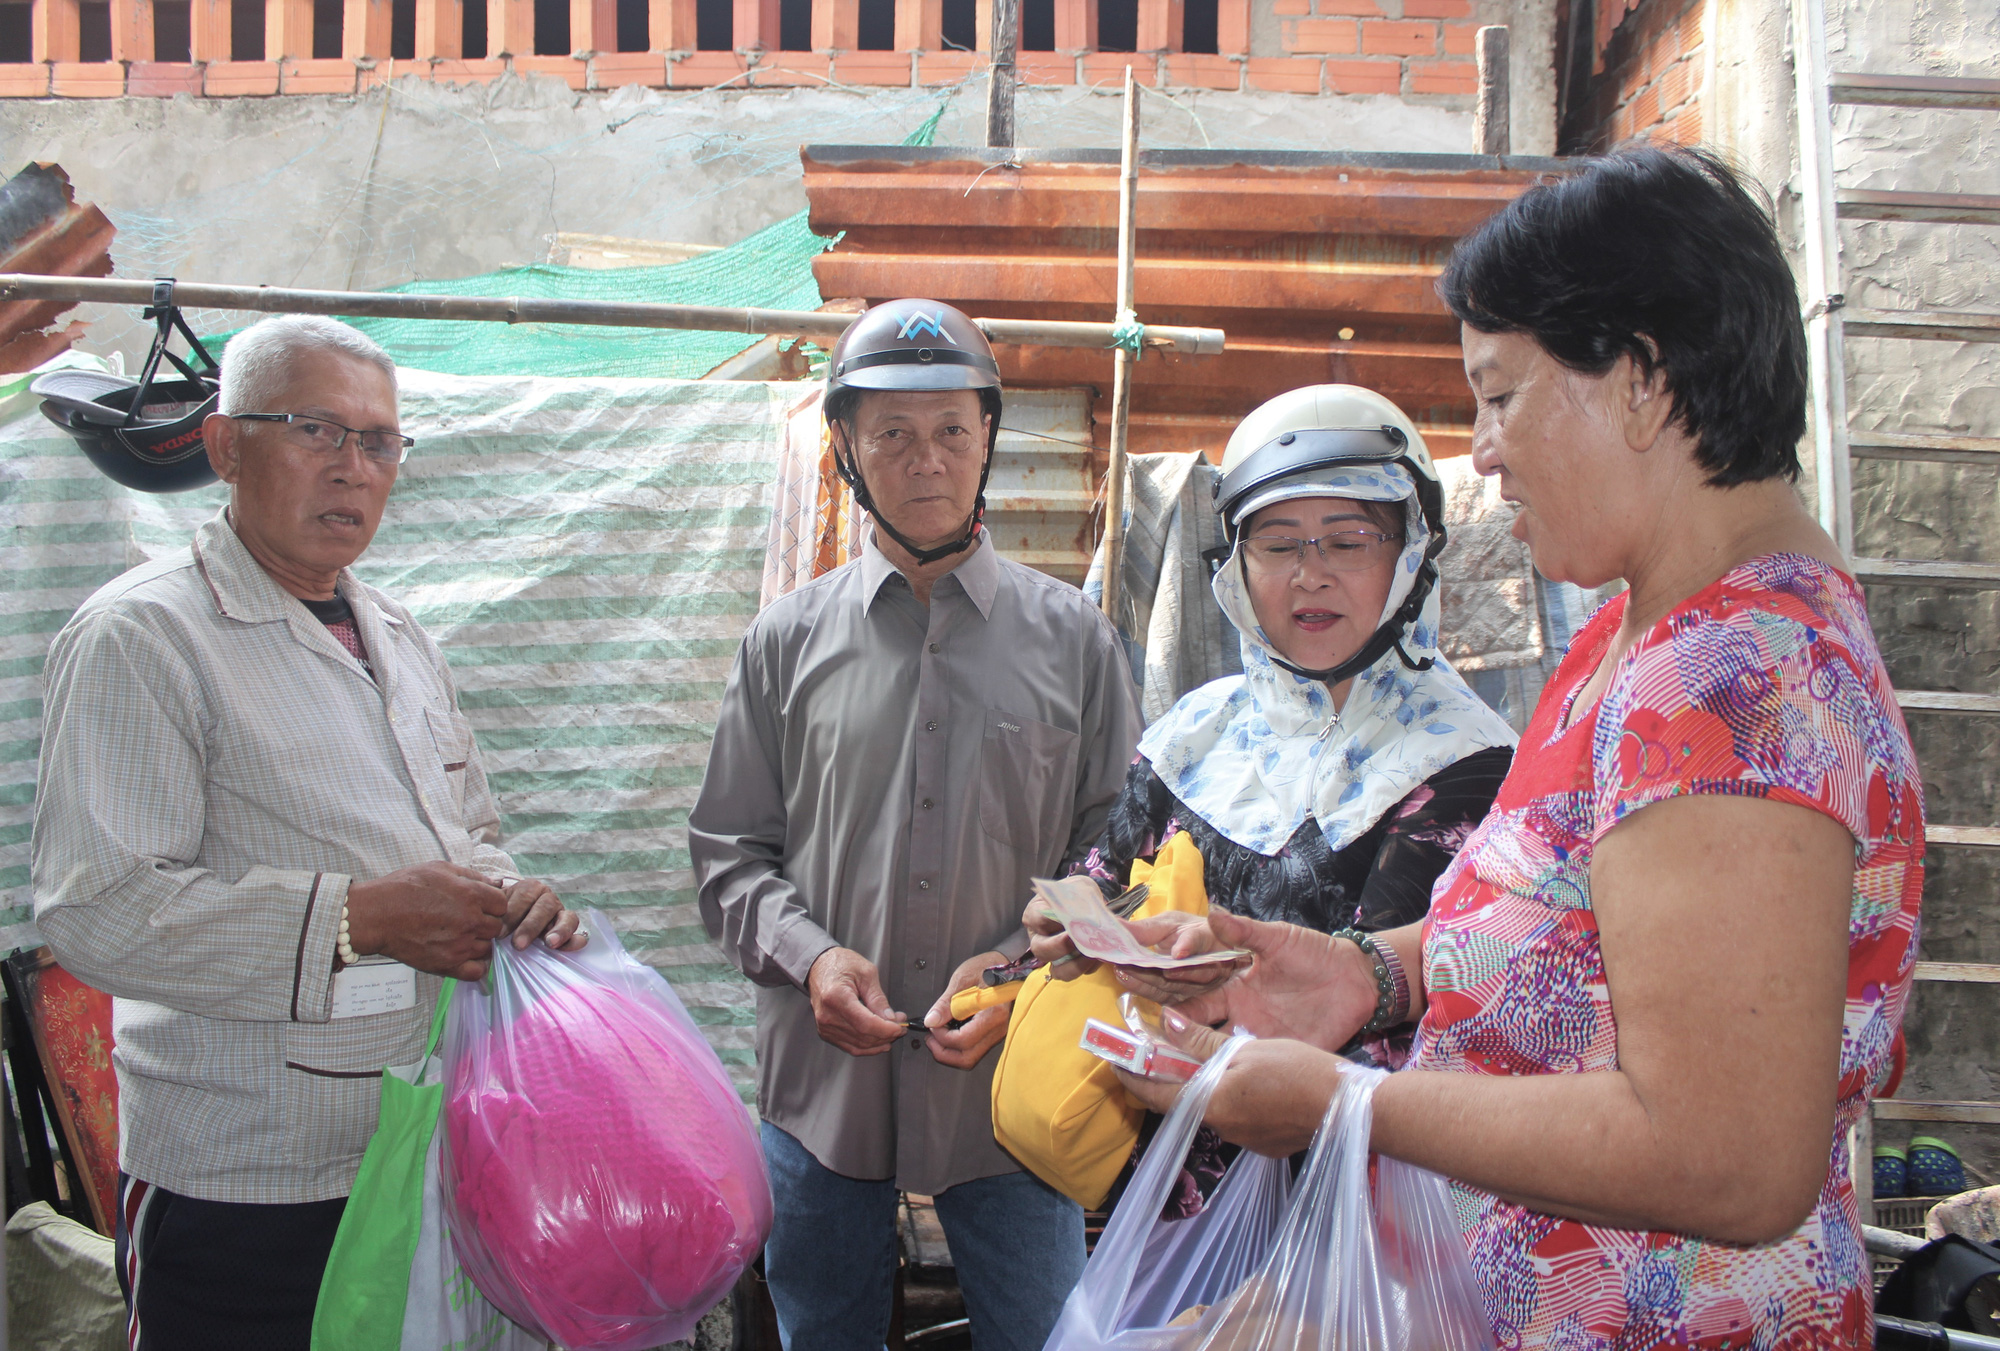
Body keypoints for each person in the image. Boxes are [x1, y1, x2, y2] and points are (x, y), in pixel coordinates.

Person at [1084, 143, 1926, 1348]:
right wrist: (1363, 972)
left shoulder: (1732, 676)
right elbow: (1580, 929)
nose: (1477, 448)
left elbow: (1728, 1158)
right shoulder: (1645, 625)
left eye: (1499, 391)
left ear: (1637, 381)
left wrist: (1345, 1102)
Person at [31, 315, 584, 1350]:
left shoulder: (399, 634)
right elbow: (96, 912)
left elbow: (469, 831)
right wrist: (358, 918)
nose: (354, 468)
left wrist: (513, 898)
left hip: (423, 1146)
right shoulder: (143, 635)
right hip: (246, 1183)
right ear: (225, 447)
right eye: (316, 431)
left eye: (378, 442)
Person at [689, 298, 1144, 1351]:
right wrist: (809, 958)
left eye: (950, 429)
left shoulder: (1076, 641)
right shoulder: (783, 644)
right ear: (845, 448)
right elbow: (727, 853)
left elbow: (1113, 859)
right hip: (821, 1091)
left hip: (1017, 1091)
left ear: (988, 441)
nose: (925, 460)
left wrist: (1018, 975)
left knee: (1046, 1335)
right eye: (890, 432)